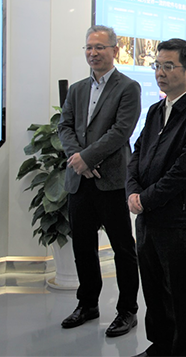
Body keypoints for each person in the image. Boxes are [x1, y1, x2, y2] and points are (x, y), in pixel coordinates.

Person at [126, 38, 186, 357]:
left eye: (169, 66)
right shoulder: (157, 110)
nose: (160, 72)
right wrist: (132, 190)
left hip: (179, 219)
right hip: (148, 218)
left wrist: (145, 199)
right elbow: (138, 153)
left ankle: (185, 352)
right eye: (158, 65)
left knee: (183, 293)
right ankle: (161, 345)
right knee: (154, 289)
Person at [58, 25, 141, 337]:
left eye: (100, 47)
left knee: (123, 248)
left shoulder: (128, 88)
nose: (93, 53)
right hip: (80, 181)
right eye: (89, 48)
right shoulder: (77, 89)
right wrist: (77, 159)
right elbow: (65, 126)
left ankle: (127, 310)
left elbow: (121, 131)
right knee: (83, 245)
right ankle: (88, 304)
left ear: (114, 51)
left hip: (112, 181)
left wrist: (88, 159)